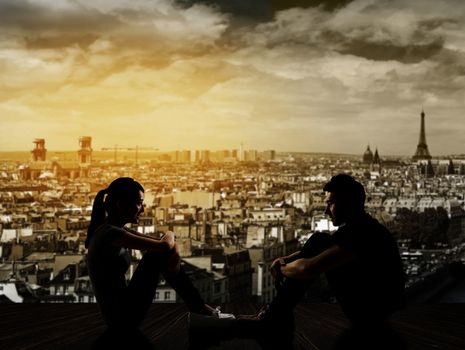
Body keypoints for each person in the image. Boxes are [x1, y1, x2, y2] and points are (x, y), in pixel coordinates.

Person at [236, 174, 406, 349]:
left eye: (330, 203)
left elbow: (308, 269)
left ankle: (273, 317)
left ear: (348, 203)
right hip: (376, 306)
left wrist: (283, 268)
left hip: (370, 310)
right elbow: (324, 251)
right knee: (320, 240)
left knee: (320, 240)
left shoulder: (360, 234)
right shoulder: (364, 227)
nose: (326, 211)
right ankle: (274, 316)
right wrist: (288, 259)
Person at [86, 177, 215, 343]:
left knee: (158, 254)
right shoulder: (110, 233)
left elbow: (158, 244)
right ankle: (199, 308)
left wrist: (169, 245)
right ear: (121, 204)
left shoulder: (112, 229)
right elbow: (163, 246)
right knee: (157, 255)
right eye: (139, 202)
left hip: (119, 314)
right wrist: (171, 234)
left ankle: (199, 308)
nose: (142, 209)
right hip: (122, 317)